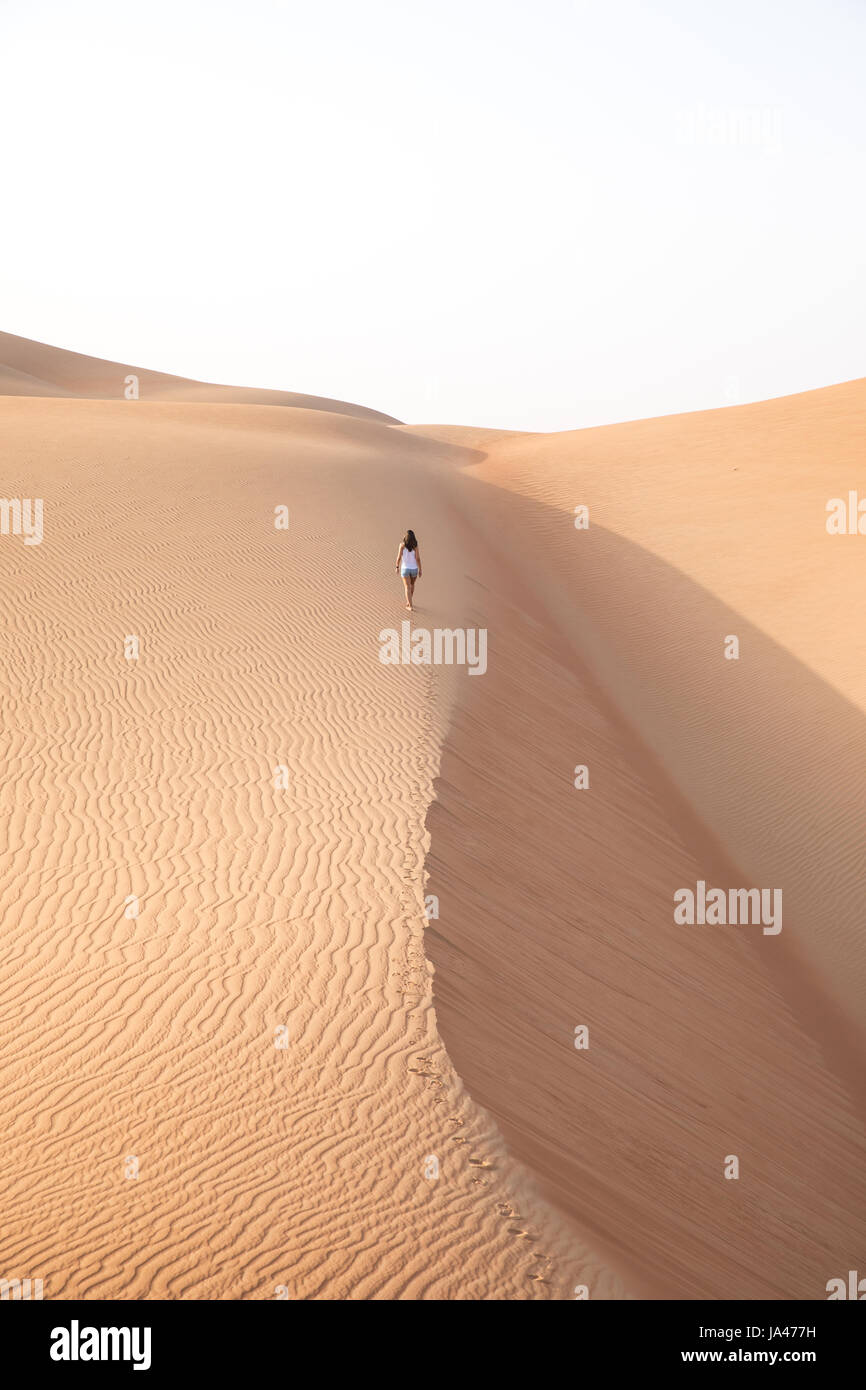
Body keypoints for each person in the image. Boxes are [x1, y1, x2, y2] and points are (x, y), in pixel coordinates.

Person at [395, 529, 422, 611]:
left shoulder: (402, 545)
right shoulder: (415, 546)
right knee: (412, 585)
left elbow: (399, 557)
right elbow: (418, 559)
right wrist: (420, 569)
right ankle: (409, 602)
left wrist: (397, 566)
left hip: (405, 569)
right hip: (414, 569)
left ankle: (410, 605)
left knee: (407, 587)